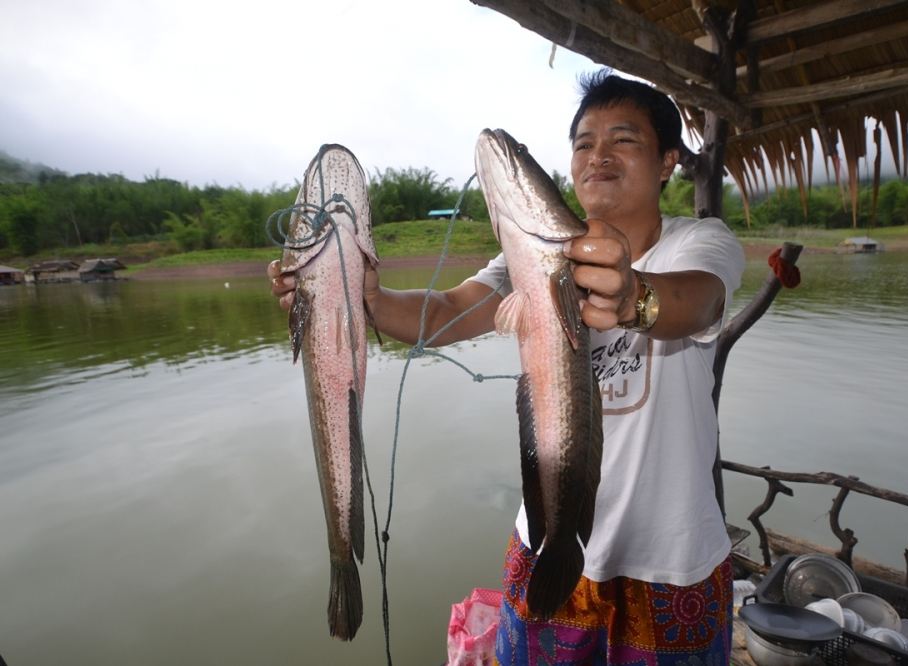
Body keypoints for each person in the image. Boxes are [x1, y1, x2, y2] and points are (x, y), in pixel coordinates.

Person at [268, 69, 745, 666]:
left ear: (668, 160)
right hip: (547, 541)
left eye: (623, 139)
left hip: (670, 559)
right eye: (583, 142)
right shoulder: (532, 253)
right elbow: (445, 311)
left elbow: (696, 300)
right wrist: (361, 297)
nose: (598, 155)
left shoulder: (700, 242)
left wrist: (632, 298)